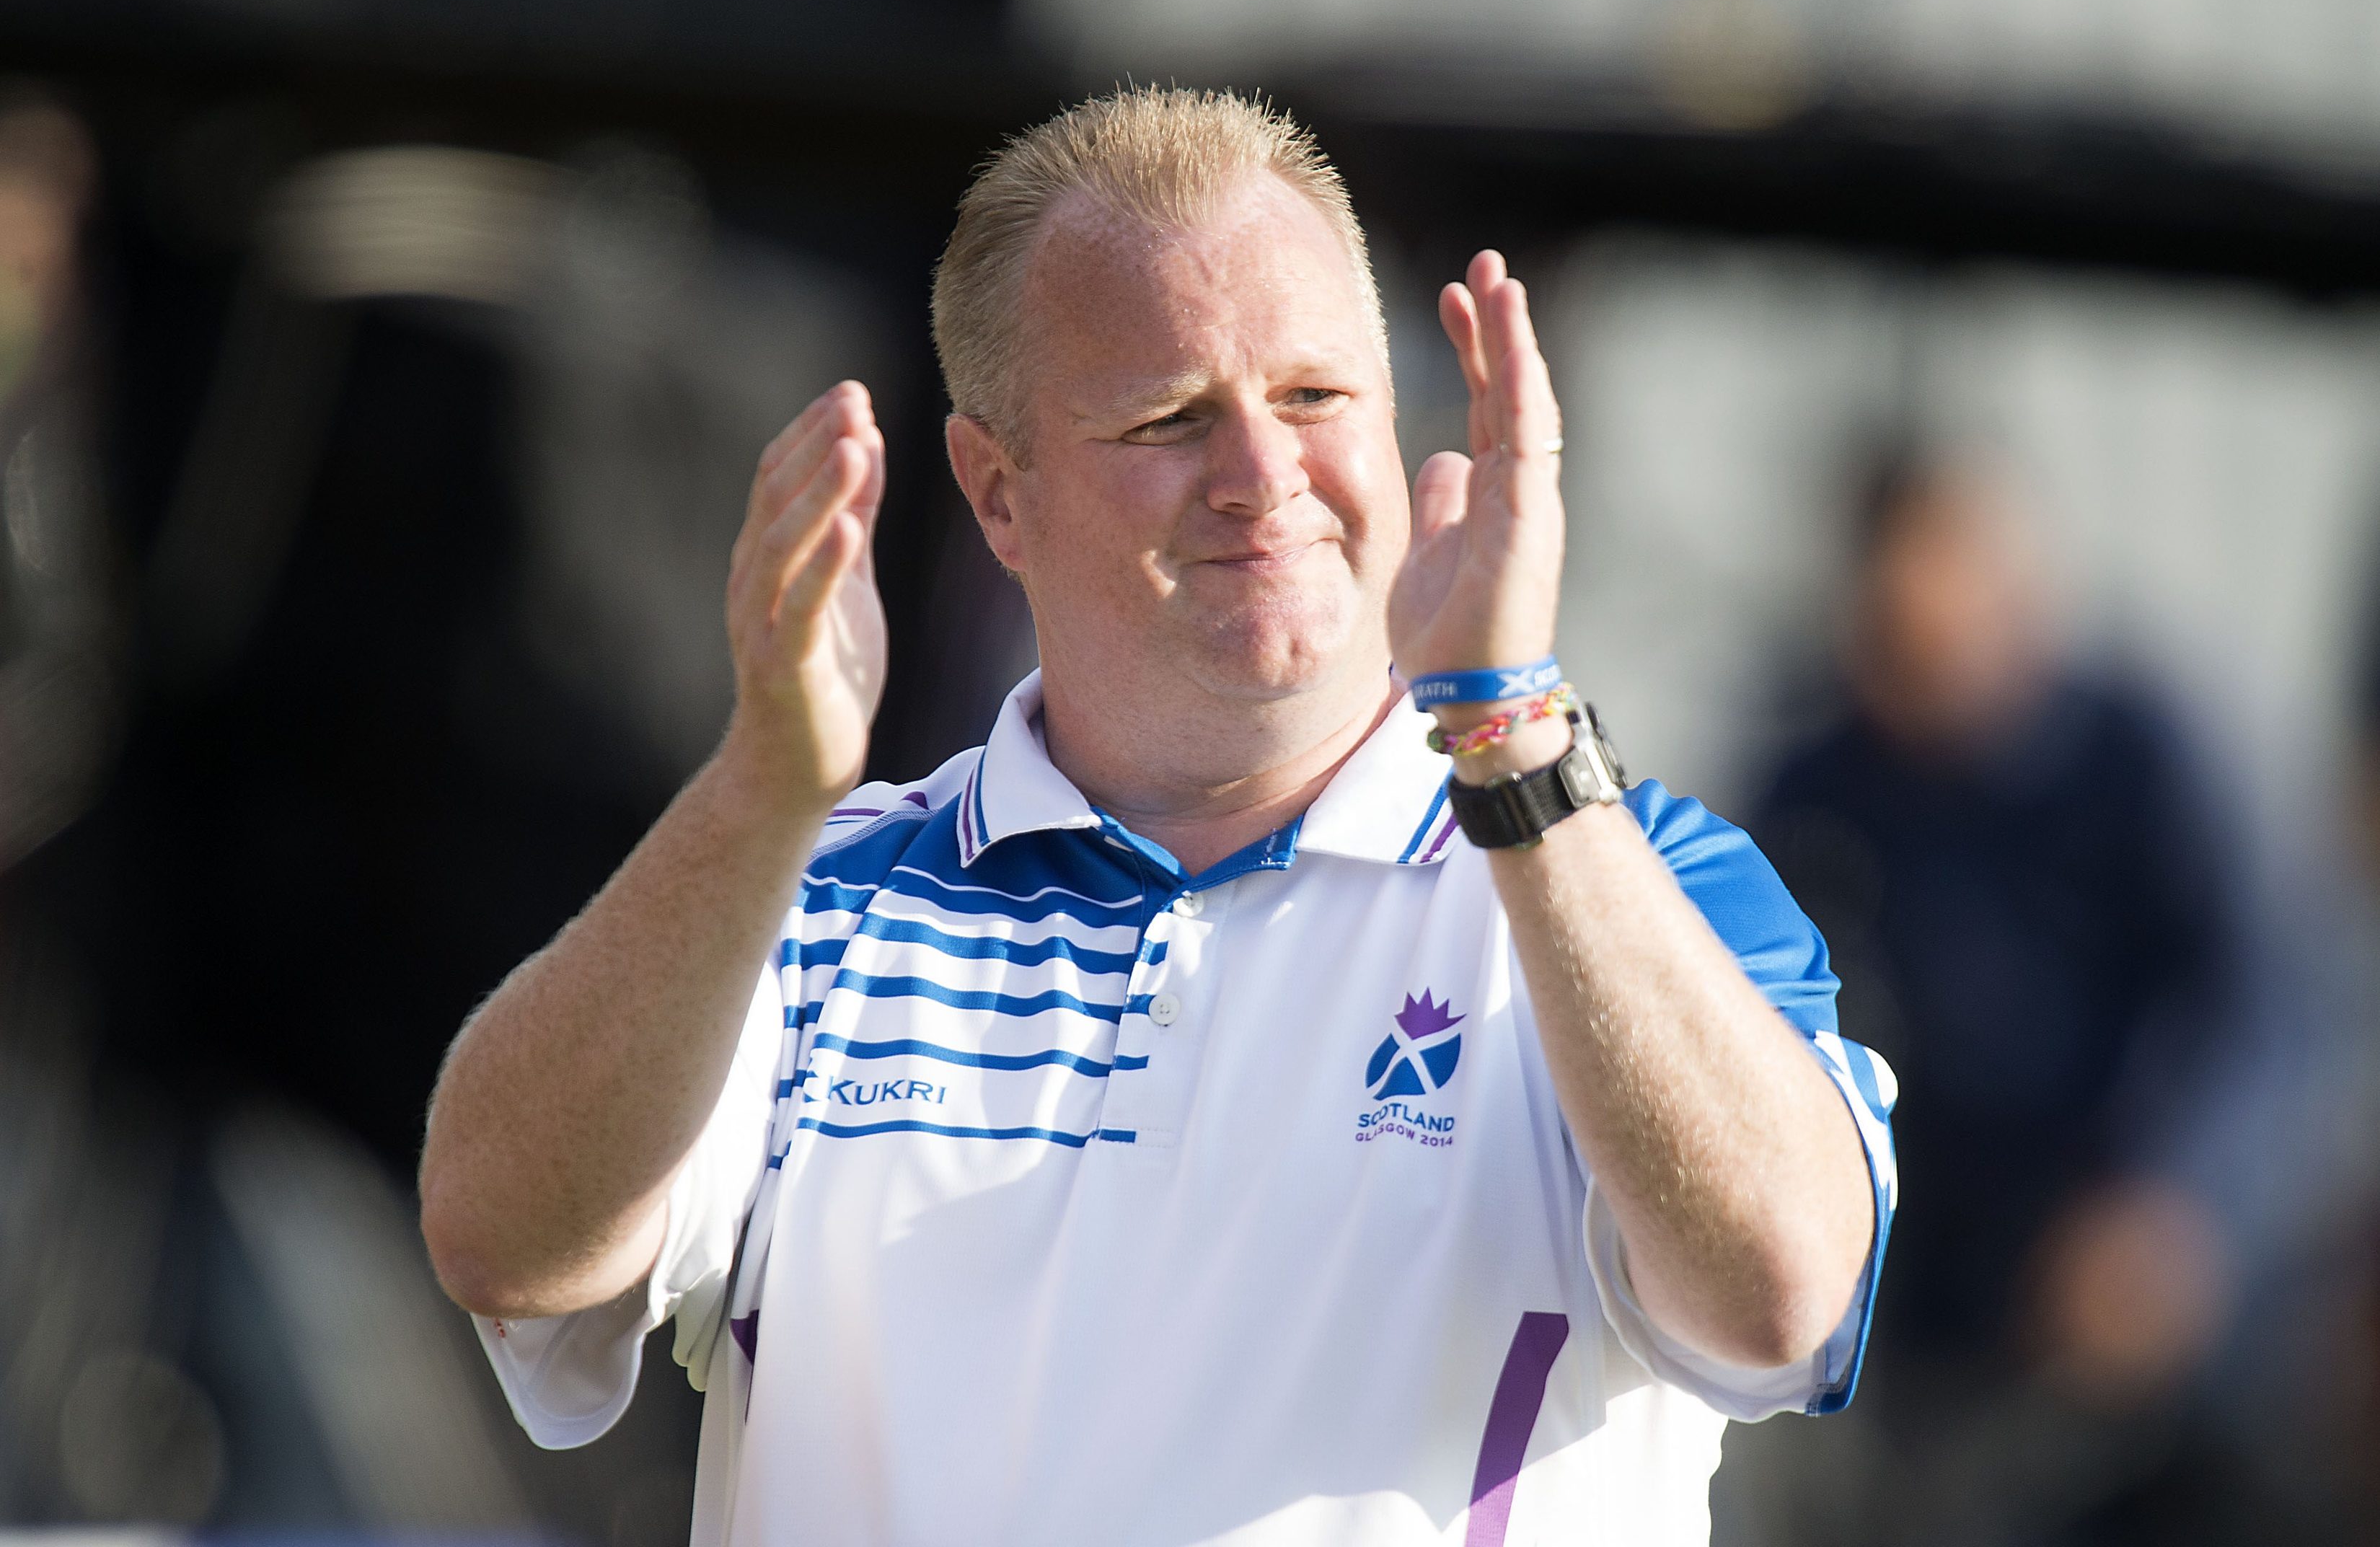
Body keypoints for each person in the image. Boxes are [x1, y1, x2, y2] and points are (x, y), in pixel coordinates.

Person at [418, 89, 1895, 1546]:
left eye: (1316, 397)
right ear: (1000, 496)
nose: (1263, 477)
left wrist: (1511, 736)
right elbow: (499, 1238)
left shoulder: (1641, 878)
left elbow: (1785, 1301)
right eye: (1170, 417)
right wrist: (760, 789)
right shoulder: (812, 896)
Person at [1743, 450, 2244, 1544]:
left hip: (2120, 1302)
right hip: (1896, 1313)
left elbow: (2247, 1005)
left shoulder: (2139, 758)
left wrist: (2176, 1198)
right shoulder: (1812, 790)